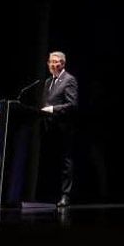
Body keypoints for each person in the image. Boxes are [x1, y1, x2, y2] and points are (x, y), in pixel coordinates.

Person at [38, 50, 78, 206]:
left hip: (63, 129)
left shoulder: (69, 80)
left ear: (62, 63)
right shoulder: (48, 82)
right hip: (49, 128)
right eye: (50, 62)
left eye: (56, 62)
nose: (52, 65)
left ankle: (65, 195)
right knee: (52, 162)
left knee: (65, 163)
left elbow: (72, 105)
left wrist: (52, 109)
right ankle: (51, 194)